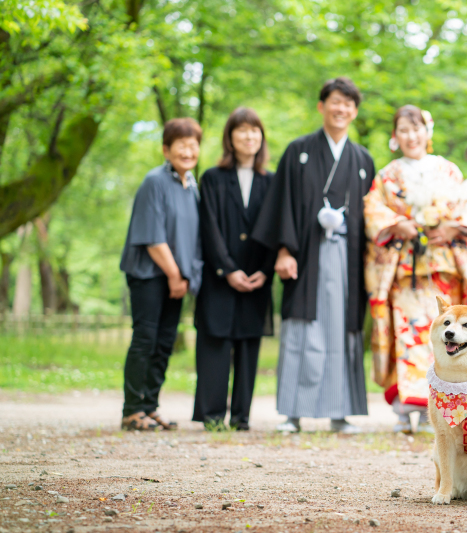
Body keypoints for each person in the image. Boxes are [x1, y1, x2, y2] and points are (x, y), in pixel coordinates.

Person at [252, 77, 375, 433]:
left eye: (349, 104)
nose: (341, 109)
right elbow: (284, 204)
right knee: (302, 330)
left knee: (343, 330)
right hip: (305, 255)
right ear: (322, 106)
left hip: (349, 259)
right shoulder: (298, 151)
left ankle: (341, 411)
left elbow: (375, 215)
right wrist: (284, 251)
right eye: (335, 102)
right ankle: (292, 411)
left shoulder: (363, 159)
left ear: (354, 111)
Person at [364, 105, 467, 434]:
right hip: (406, 271)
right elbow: (374, 212)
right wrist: (398, 224)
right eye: (403, 129)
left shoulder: (447, 170)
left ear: (427, 133)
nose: (411, 136)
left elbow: (466, 210)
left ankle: (443, 409)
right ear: (394, 136)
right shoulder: (387, 176)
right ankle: (406, 407)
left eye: (416, 129)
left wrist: (451, 228)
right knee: (409, 335)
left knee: (448, 337)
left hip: (444, 269)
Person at [192, 107, 276, 431]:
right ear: (230, 137)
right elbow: (209, 227)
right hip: (220, 276)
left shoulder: (271, 181)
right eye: (241, 130)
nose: (248, 136)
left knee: (248, 346)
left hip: (257, 276)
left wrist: (266, 270)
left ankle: (241, 417)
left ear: (261, 138)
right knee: (215, 342)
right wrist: (227, 268)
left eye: (254, 130)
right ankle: (212, 416)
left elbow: (277, 228)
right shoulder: (212, 178)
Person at [118, 117, 203, 431]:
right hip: (149, 275)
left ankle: (150, 406)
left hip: (176, 278)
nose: (187, 150)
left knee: (165, 341)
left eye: (193, 144)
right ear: (166, 149)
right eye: (181, 144)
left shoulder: (192, 186)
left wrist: (184, 277)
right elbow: (153, 238)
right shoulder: (154, 181)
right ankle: (131, 410)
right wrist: (173, 274)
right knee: (145, 339)